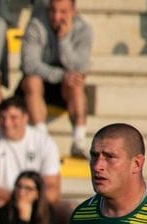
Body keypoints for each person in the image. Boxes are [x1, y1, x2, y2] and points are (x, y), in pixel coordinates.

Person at [19, 0, 92, 158]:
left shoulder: (84, 29)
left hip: (66, 87)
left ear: (73, 10)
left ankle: (79, 141)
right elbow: (29, 64)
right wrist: (61, 75)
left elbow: (80, 67)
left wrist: (63, 39)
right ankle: (41, 139)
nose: (57, 16)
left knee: (77, 82)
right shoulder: (36, 25)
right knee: (32, 80)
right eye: (53, 11)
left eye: (63, 12)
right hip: (39, 85)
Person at [0, 96, 61, 208]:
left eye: (13, 117)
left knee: (69, 209)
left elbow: (52, 186)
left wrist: (30, 202)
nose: (7, 123)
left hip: (37, 204)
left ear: (25, 118)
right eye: (3, 117)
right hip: (4, 203)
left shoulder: (44, 142)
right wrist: (19, 199)